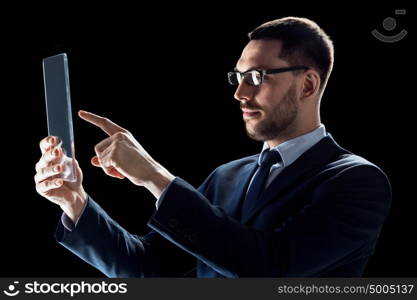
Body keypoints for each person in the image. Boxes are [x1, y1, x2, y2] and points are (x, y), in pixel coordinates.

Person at [34, 17, 392, 277]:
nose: (240, 94)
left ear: (308, 85)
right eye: (237, 78)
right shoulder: (228, 176)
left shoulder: (357, 180)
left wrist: (154, 177)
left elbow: (270, 270)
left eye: (256, 77)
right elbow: (148, 271)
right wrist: (75, 201)